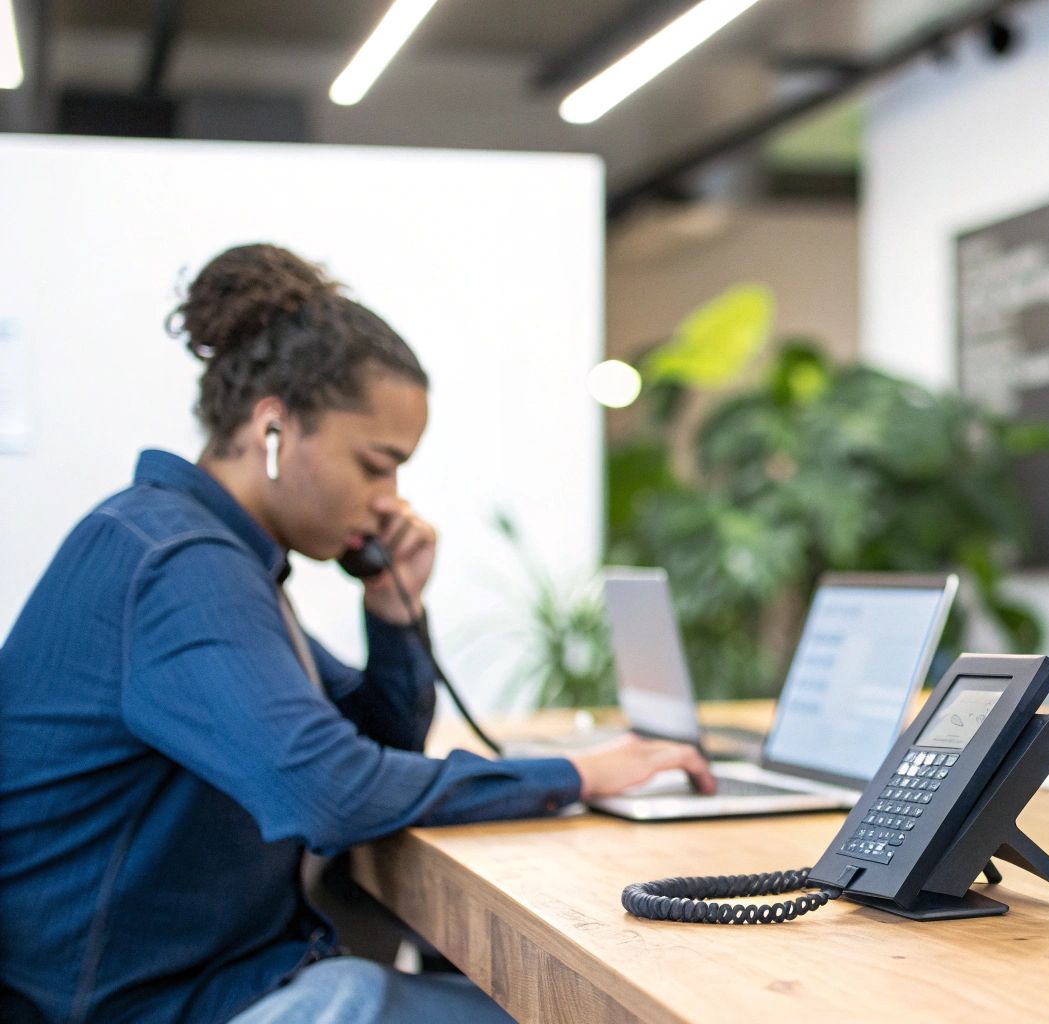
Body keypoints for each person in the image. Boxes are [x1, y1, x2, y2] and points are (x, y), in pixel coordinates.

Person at [0, 243, 715, 1024]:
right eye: (377, 465)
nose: (389, 500)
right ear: (274, 427)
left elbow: (376, 740)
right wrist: (578, 776)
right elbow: (332, 790)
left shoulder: (210, 556)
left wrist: (394, 611)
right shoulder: (178, 564)